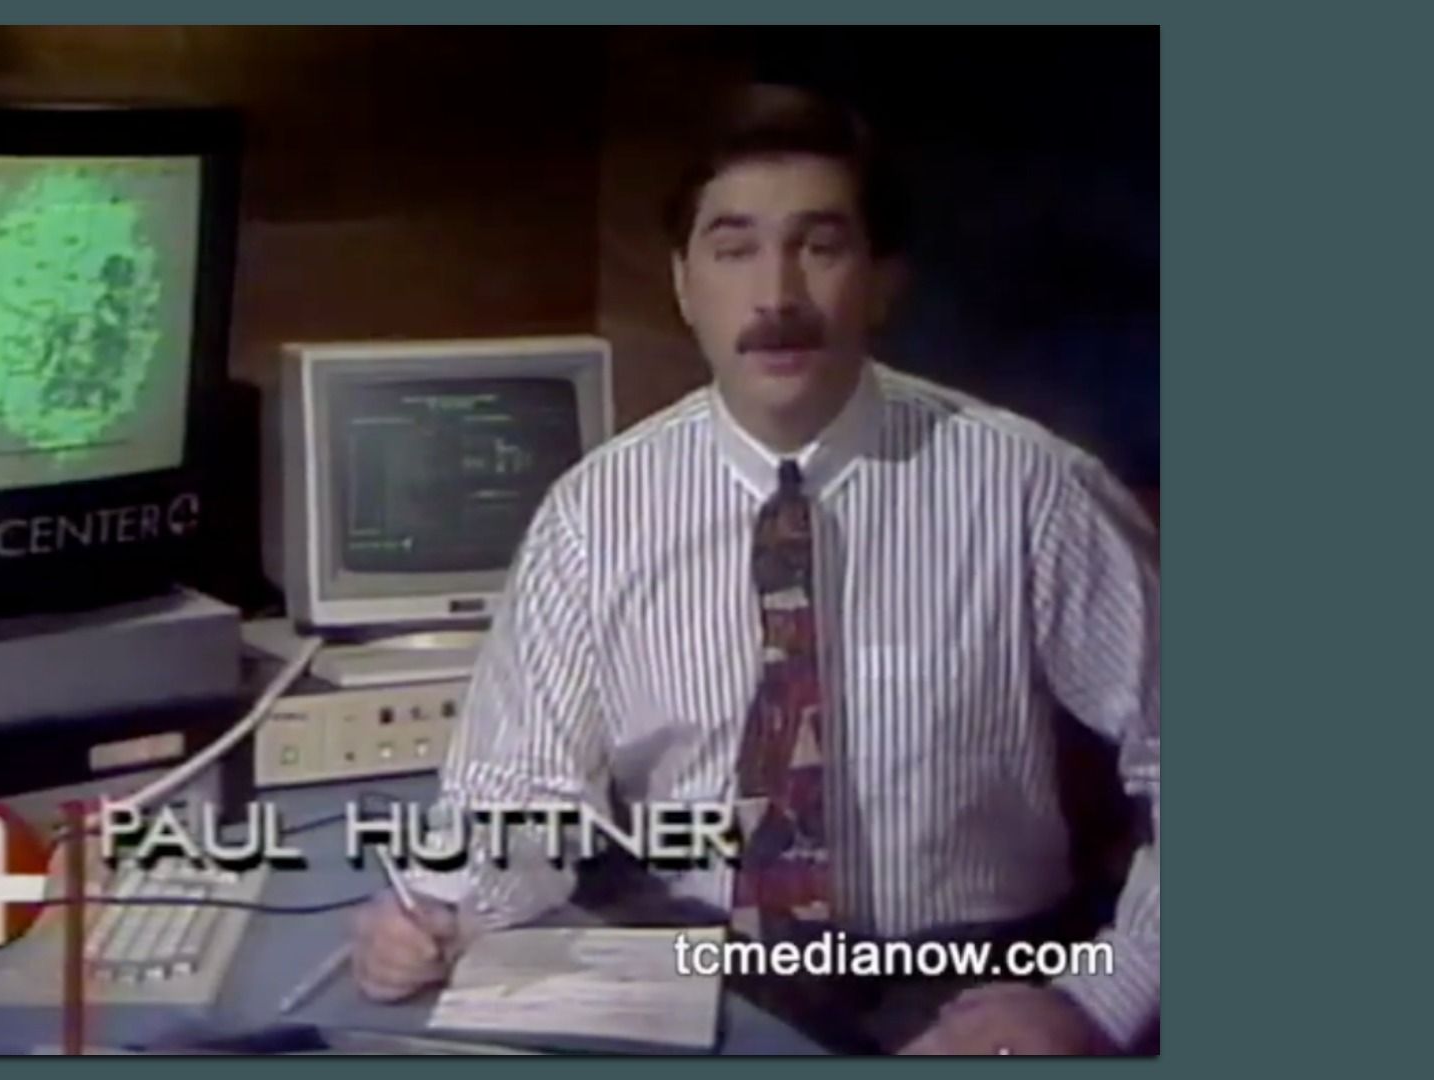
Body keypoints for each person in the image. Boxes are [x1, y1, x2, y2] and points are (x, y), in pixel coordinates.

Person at [348, 86, 1159, 1056]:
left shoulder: (1033, 491)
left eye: (820, 247)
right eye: (734, 249)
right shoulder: (593, 514)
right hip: (686, 959)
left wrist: (1100, 995)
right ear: (686, 285)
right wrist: (438, 906)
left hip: (963, 977)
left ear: (884, 281)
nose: (776, 297)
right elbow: (524, 792)